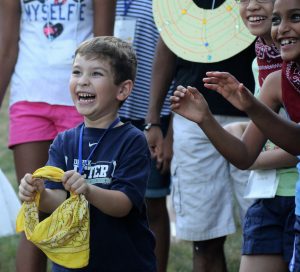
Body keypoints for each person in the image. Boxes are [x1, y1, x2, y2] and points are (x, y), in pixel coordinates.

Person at [170, 0, 300, 271]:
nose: (282, 29)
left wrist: (251, 109)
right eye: (277, 20)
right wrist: (205, 119)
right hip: (269, 195)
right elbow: (244, 154)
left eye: (295, 17)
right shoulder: (275, 79)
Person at [18, 36, 157, 272]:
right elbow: (58, 200)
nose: (83, 82)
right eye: (76, 72)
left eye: (96, 74)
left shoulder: (132, 140)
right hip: (70, 265)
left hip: (123, 263)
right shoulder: (65, 141)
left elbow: (124, 203)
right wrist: (38, 194)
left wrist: (88, 190)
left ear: (122, 89)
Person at [0, 1, 116, 271]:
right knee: (33, 208)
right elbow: (5, 49)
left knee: (84, 210)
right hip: (29, 98)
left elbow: (105, 49)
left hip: (82, 101)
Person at [146, 7, 255, 272]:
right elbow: (169, 44)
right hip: (193, 120)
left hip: (257, 113)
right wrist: (155, 120)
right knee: (204, 238)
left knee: (263, 229)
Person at [114, 1, 172, 271]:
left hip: (153, 114)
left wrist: (158, 121)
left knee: (152, 201)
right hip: (110, 112)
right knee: (110, 197)